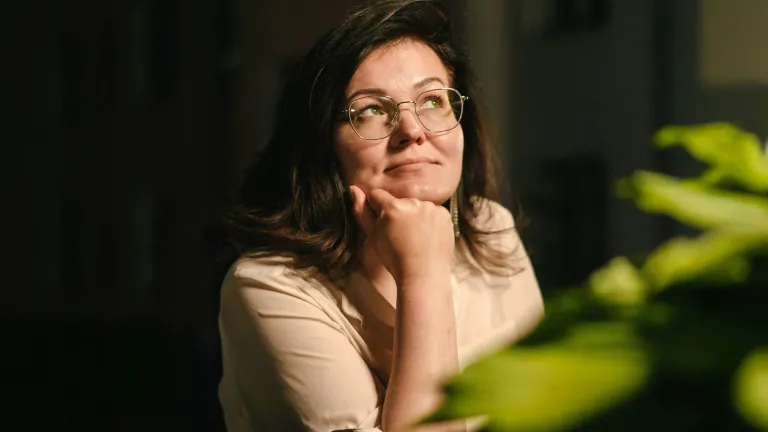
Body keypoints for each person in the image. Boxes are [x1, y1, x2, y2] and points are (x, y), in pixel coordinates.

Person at [216, 0, 544, 430]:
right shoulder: (270, 286)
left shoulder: (490, 228)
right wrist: (422, 275)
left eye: (432, 100)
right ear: (324, 147)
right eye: (370, 110)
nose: (412, 131)